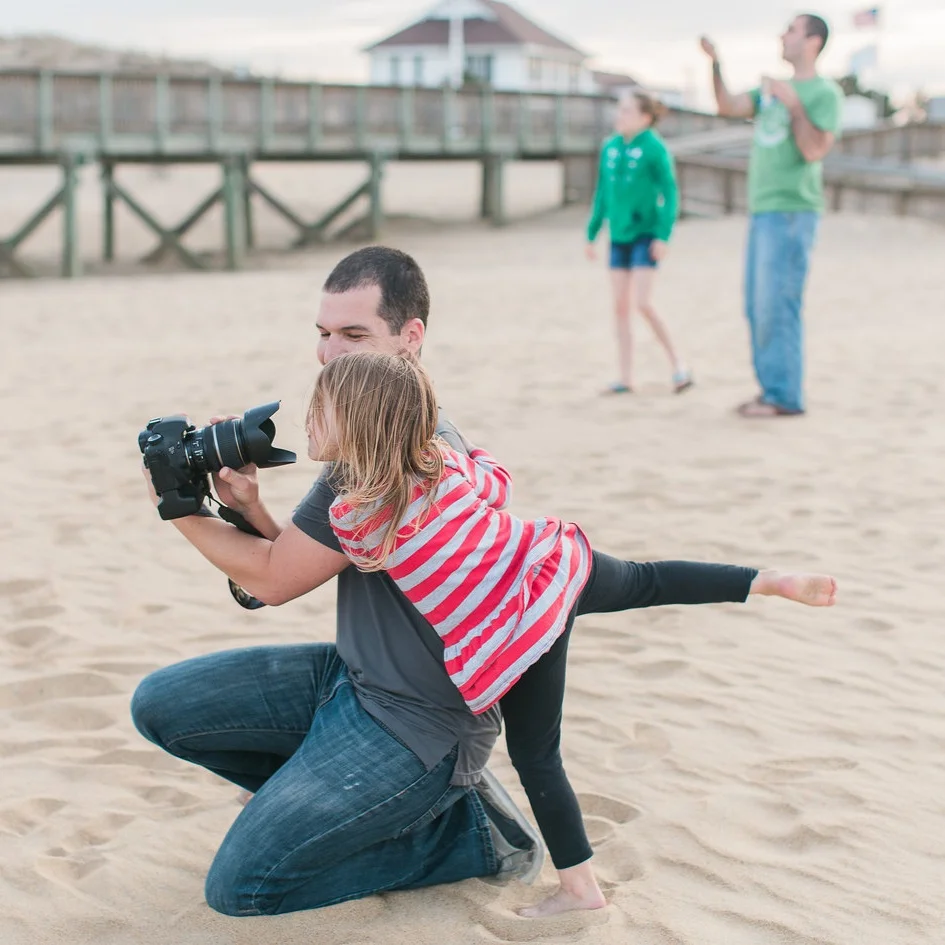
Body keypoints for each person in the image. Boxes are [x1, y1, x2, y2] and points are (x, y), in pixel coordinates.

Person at [305, 349, 839, 917]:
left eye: (320, 411)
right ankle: (766, 580)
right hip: (552, 564)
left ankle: (581, 890)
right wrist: (473, 454)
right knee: (648, 580)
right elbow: (498, 486)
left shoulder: (352, 516)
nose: (309, 421)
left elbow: (355, 559)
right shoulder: (442, 463)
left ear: (359, 424)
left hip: (513, 629)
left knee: (537, 757)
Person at [131, 247, 546, 918]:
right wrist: (247, 508)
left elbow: (271, 582)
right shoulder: (375, 428)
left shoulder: (403, 452)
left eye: (353, 334)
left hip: (420, 724)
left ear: (409, 338)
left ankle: (470, 837)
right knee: (162, 703)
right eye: (323, 333)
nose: (329, 353)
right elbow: (295, 561)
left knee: (243, 887)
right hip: (354, 679)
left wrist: (175, 506)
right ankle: (331, 806)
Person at [700, 14, 843, 417]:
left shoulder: (824, 92)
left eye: (792, 30)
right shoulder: (770, 91)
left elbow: (814, 150)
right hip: (762, 209)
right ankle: (771, 392)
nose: (782, 35)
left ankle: (785, 397)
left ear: (813, 42)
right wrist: (715, 63)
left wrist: (795, 107)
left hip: (793, 211)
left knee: (779, 305)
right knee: (757, 306)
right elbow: (727, 105)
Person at [586, 89, 693, 396]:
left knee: (643, 303)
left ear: (645, 118)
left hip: (645, 235)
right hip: (618, 236)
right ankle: (625, 377)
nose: (619, 116)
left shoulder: (655, 148)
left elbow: (670, 192)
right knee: (620, 307)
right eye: (619, 109)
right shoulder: (610, 147)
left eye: (627, 111)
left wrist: (663, 235)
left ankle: (679, 366)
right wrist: (592, 232)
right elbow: (603, 192)